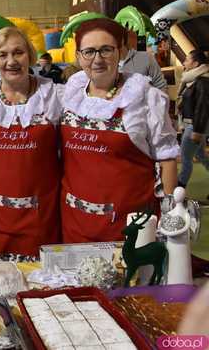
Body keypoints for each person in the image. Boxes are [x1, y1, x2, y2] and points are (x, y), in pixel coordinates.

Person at [61, 19, 179, 243]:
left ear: (121, 52)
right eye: (89, 51)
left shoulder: (145, 97)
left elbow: (167, 158)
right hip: (75, 222)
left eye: (106, 50)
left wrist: (170, 216)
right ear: (78, 56)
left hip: (130, 225)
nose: (97, 59)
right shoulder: (70, 94)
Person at [0, 27, 62, 260]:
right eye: (2, 55)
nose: (11, 61)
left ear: (30, 54)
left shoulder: (54, 94)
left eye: (18, 52)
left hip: (41, 213)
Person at [177, 49, 209, 190]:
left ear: (195, 63)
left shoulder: (202, 81)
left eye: (187, 59)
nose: (184, 62)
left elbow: (203, 107)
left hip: (195, 126)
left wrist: (197, 131)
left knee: (185, 159)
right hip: (193, 125)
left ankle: (178, 190)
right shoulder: (192, 80)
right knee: (201, 156)